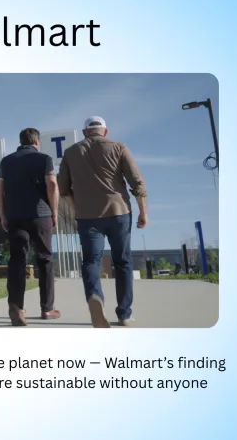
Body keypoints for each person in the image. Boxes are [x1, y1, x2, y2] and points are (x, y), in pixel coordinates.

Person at [58, 116, 148, 328]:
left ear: (84, 132)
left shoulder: (70, 152)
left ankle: (95, 298)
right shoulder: (118, 147)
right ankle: (124, 314)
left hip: (88, 217)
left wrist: (77, 208)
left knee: (91, 262)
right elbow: (137, 182)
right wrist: (143, 212)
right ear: (105, 131)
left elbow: (63, 190)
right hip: (119, 213)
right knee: (123, 262)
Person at [0, 128, 60, 326]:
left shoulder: (7, 161)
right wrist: (54, 212)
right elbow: (52, 185)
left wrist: (2, 214)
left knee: (17, 261)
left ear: (21, 142)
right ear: (37, 142)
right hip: (41, 215)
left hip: (15, 216)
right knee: (45, 259)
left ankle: (17, 308)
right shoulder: (44, 159)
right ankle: (47, 309)